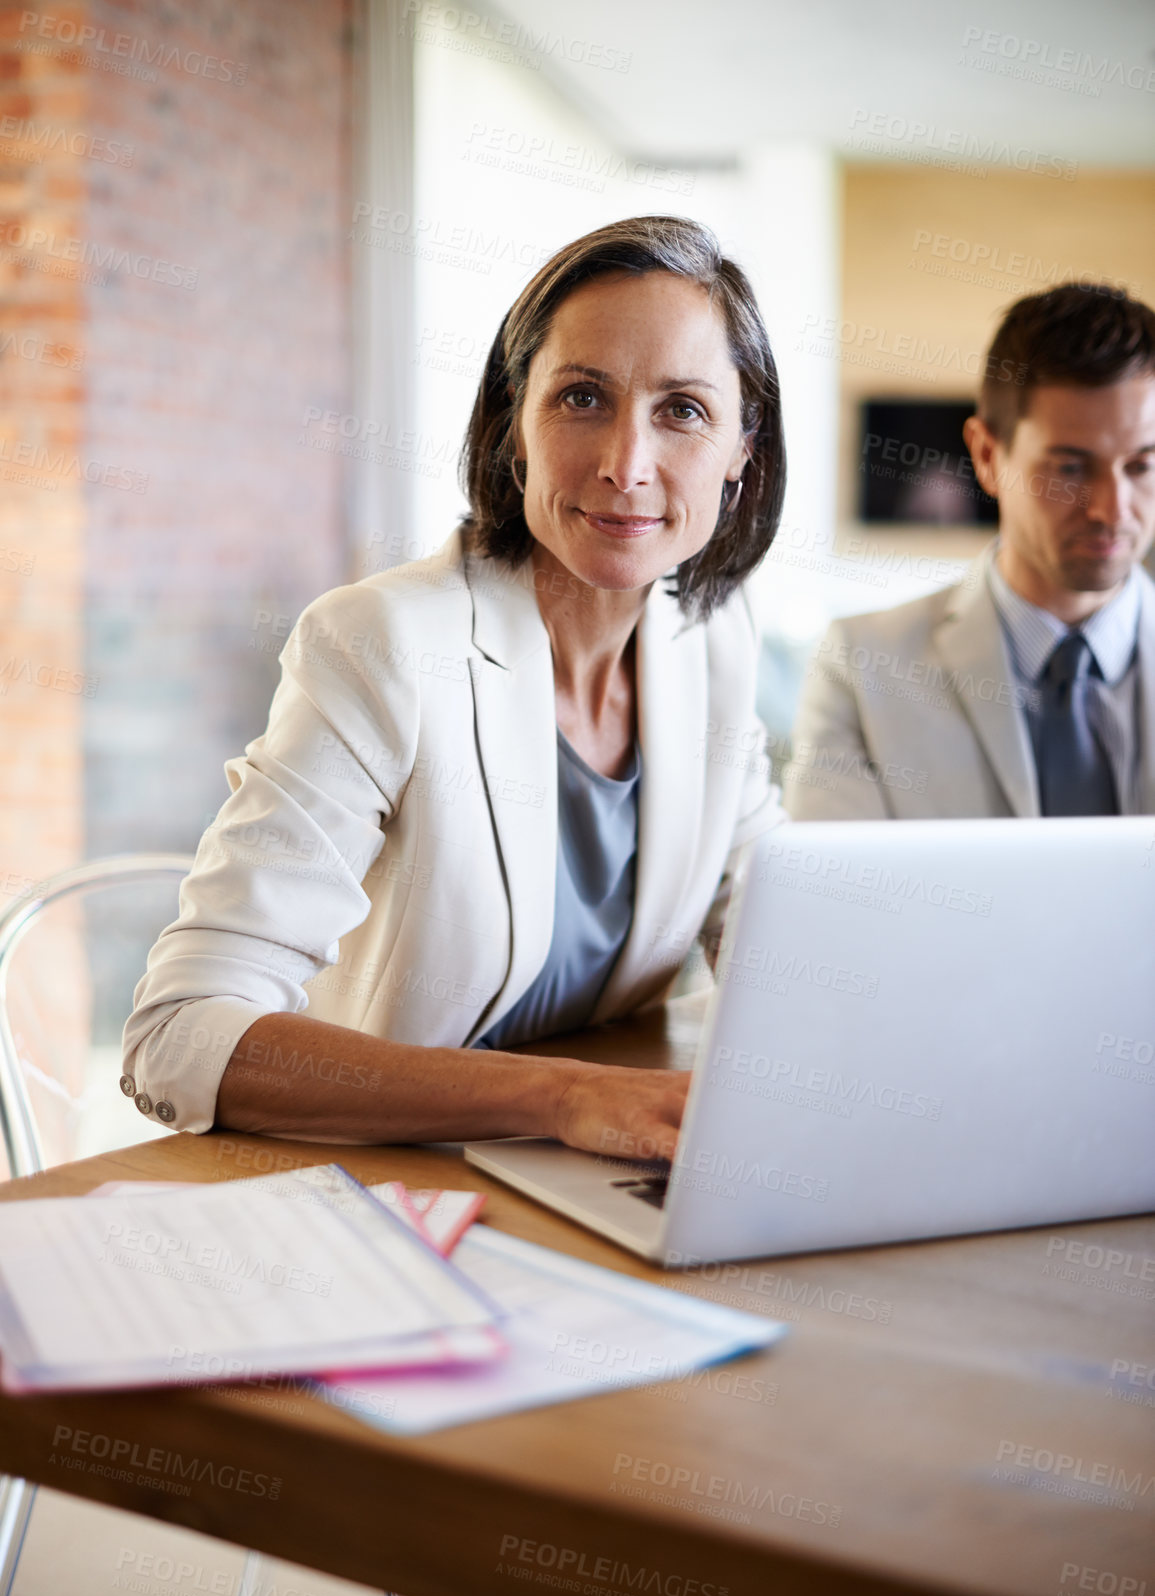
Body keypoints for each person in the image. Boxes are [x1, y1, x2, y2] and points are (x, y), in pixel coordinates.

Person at [122, 213, 787, 1163]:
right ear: (514, 425)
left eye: (682, 410)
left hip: (588, 1178)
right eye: (582, 398)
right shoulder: (383, 642)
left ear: (741, 455)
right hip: (377, 1188)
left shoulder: (712, 636)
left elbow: (774, 930)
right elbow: (178, 1036)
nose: (625, 465)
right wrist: (558, 1095)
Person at [783, 284, 1155, 820]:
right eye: (1070, 468)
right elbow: (829, 898)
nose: (1112, 510)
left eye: (1142, 466)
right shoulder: (863, 667)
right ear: (985, 455)